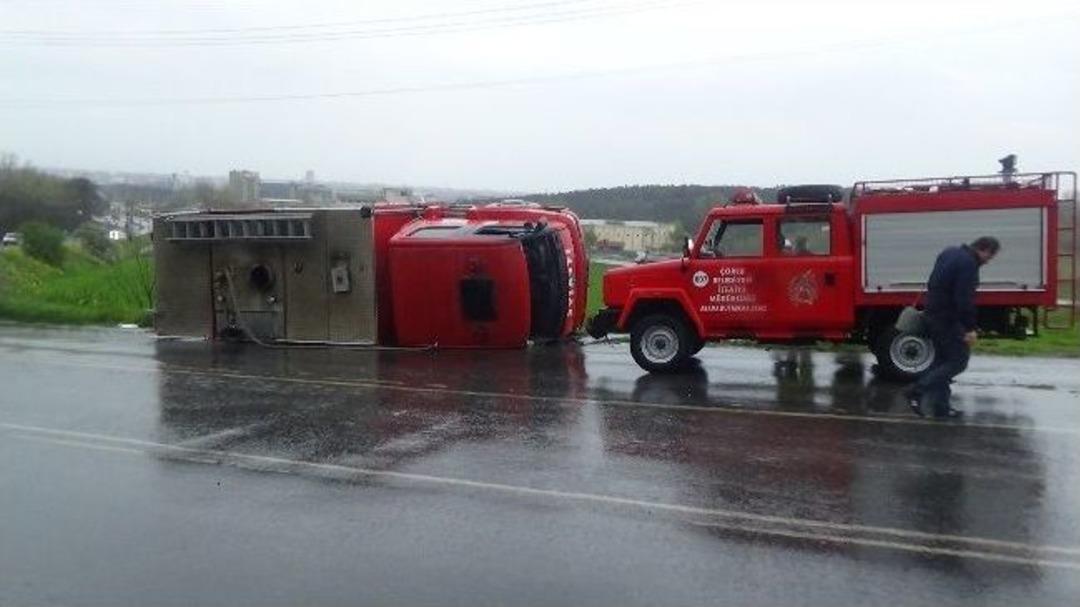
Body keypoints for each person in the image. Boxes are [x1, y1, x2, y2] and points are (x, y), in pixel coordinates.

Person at [906, 236, 1001, 419]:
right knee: (958, 362)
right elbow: (964, 300)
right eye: (990, 257)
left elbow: (934, 282)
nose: (988, 261)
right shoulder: (968, 264)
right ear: (984, 249)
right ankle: (917, 390)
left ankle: (941, 408)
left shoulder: (948, 252)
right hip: (948, 320)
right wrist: (969, 328)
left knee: (942, 362)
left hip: (932, 314)